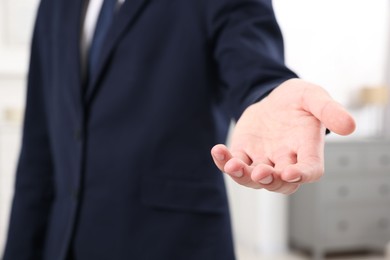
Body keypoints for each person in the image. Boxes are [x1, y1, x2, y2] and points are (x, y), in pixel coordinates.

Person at [3, 0, 355, 259]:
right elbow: (39, 149)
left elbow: (250, 59)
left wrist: (268, 91)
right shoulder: (53, 6)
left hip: (171, 243)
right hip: (61, 244)